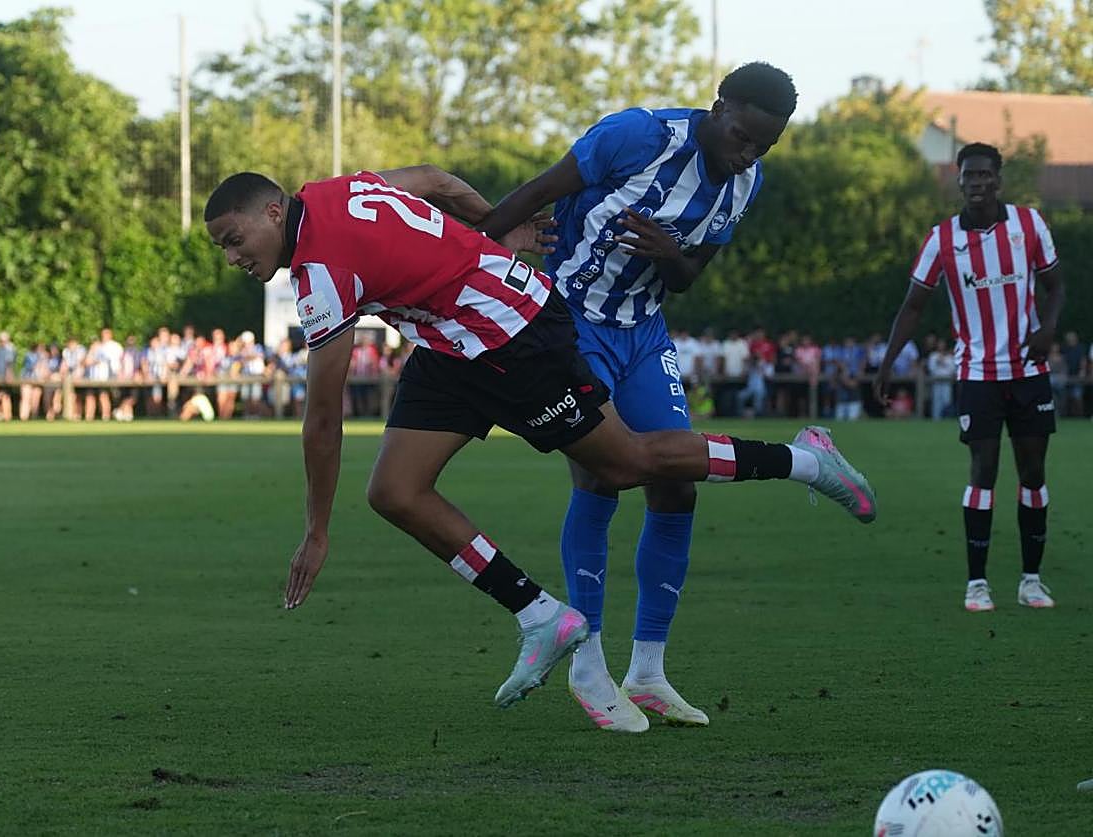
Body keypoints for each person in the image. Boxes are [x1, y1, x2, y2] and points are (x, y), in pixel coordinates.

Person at [203, 164, 876, 716]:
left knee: (626, 463)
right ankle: (540, 616)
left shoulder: (319, 274)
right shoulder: (335, 190)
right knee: (394, 490)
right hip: (453, 341)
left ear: (273, 212)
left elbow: (324, 422)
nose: (234, 257)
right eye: (223, 249)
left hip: (512, 334)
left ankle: (805, 460)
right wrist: (499, 225)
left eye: (235, 239)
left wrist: (316, 532)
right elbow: (434, 180)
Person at [475, 62, 800, 731]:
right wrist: (477, 255)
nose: (748, 153)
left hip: (644, 333)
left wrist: (668, 250)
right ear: (719, 106)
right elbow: (536, 193)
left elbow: (687, 276)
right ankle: (588, 663)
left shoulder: (746, 180)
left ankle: (648, 672)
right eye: (742, 136)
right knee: (602, 475)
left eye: (763, 146)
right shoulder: (636, 136)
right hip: (570, 324)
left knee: (677, 485)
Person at [875, 142, 1065, 613]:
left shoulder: (1029, 224)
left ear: (998, 180)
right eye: (969, 176)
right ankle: (977, 584)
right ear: (958, 182)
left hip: (1029, 371)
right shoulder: (942, 239)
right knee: (983, 471)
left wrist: (1047, 329)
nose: (977, 183)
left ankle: (1031, 580)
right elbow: (913, 306)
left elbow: (1056, 285)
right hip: (977, 374)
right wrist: (888, 362)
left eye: (984, 175)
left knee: (1033, 473)